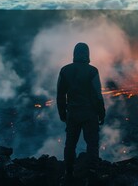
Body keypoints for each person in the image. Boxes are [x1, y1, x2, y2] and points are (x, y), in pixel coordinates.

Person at [57, 42, 105, 181]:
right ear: (87, 54)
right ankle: (92, 174)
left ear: (74, 54)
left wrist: (62, 113)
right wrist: (101, 113)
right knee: (92, 144)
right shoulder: (92, 71)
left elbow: (60, 94)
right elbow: (97, 95)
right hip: (90, 114)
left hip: (72, 113)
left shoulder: (65, 70)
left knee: (70, 144)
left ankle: (69, 173)